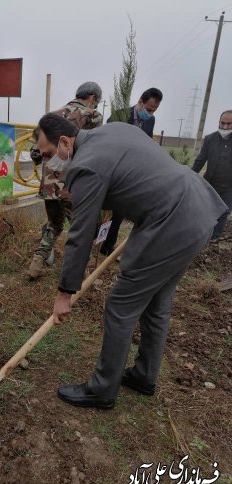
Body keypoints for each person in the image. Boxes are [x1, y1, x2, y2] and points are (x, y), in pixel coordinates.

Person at [35, 113, 227, 409]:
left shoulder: (85, 165)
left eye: (49, 154)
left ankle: (101, 389)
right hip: (197, 211)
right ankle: (144, 376)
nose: (50, 163)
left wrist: (64, 293)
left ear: (64, 141)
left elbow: (81, 235)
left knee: (120, 306)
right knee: (158, 303)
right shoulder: (115, 130)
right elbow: (135, 180)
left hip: (172, 222)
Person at [27, 82, 103, 279]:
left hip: (49, 183)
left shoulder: (51, 116)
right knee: (81, 228)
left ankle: (36, 265)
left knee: (54, 224)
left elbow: (36, 152)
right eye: (97, 101)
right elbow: (94, 151)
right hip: (73, 183)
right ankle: (82, 274)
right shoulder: (93, 116)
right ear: (93, 98)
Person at [101, 88, 163, 256]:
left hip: (131, 172)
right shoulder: (119, 115)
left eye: (154, 110)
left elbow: (146, 139)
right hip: (112, 168)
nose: (150, 113)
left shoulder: (150, 120)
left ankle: (107, 247)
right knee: (103, 207)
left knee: (120, 210)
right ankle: (94, 238)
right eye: (148, 109)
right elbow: (106, 140)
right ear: (140, 102)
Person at [192, 110, 232, 239]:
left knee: (223, 212)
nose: (225, 127)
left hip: (229, 187)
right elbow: (201, 160)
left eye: (229, 124)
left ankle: (213, 238)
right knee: (206, 210)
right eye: (223, 123)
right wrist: (190, 175)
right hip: (210, 183)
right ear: (219, 122)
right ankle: (201, 235)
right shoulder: (210, 139)